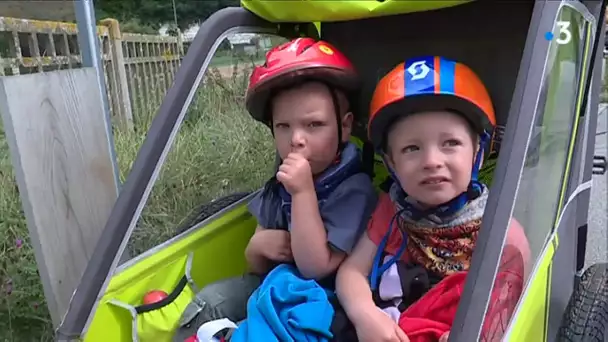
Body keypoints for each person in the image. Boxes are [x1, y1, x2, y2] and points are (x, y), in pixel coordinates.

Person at [173, 37, 378, 341]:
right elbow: (257, 265)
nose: (296, 139)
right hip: (274, 288)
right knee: (210, 303)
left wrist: (303, 193)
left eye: (313, 125)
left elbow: (316, 268)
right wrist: (256, 247)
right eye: (283, 126)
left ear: (345, 126)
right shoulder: (279, 184)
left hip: (327, 303)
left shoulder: (354, 190)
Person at [334, 56, 531, 342]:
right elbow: (351, 272)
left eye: (450, 143)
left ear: (478, 152)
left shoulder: (496, 226)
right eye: (411, 148)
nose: (431, 161)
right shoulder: (394, 211)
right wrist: (365, 313)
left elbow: (515, 297)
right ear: (390, 162)